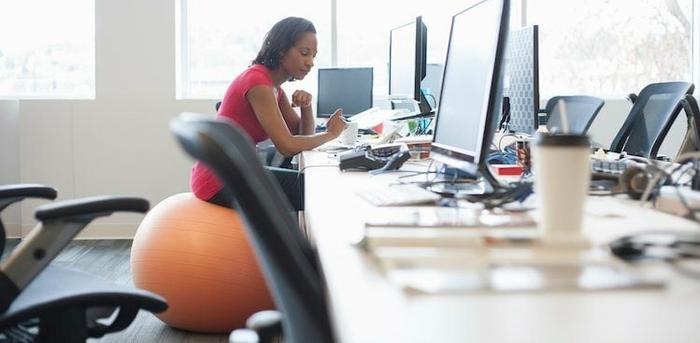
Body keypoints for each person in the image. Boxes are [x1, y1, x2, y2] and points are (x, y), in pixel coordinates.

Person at [191, 17, 347, 209]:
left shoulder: (275, 89)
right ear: (282, 49)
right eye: (304, 53)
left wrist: (306, 107)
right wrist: (331, 134)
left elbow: (302, 136)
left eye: (314, 56)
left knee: (315, 186)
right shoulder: (257, 82)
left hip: (238, 172)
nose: (310, 63)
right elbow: (287, 146)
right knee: (316, 190)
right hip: (221, 180)